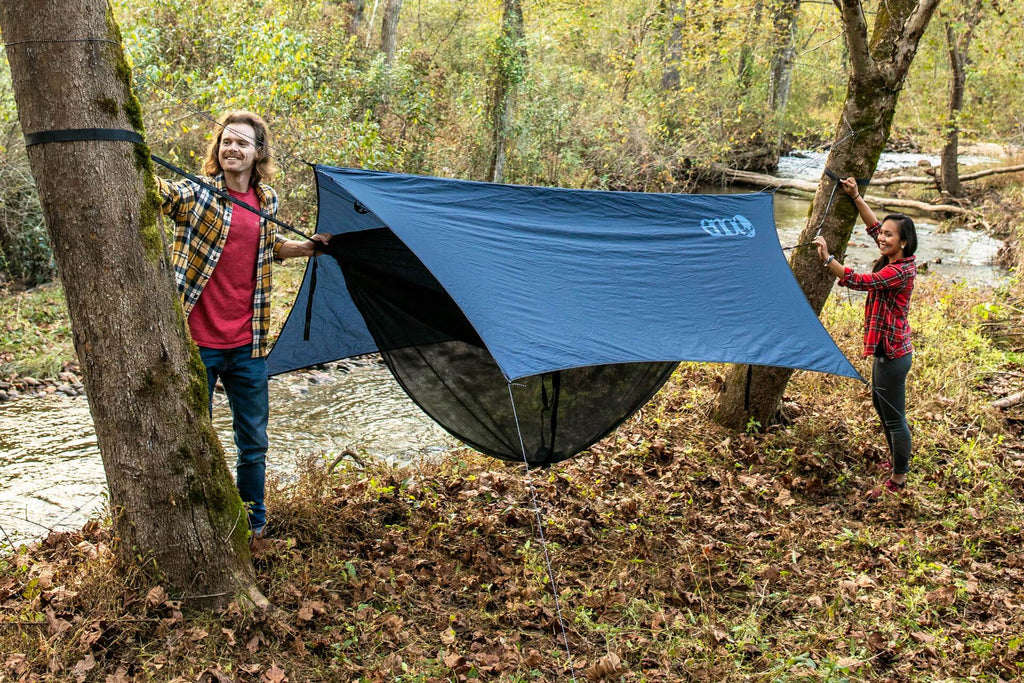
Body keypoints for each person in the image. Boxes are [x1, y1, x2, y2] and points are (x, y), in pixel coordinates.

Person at [156, 110, 329, 535]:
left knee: (253, 443)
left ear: (258, 153)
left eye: (242, 143)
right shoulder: (196, 193)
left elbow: (270, 248)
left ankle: (254, 522)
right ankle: (196, 523)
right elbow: (159, 193)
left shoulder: (267, 201)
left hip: (249, 344)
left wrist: (306, 248)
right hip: (197, 343)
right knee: (191, 438)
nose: (232, 148)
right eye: (226, 141)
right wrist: (130, 154)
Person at [813, 177, 918, 494]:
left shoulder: (898, 271)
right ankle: (895, 460)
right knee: (880, 404)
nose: (882, 237)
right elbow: (874, 228)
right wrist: (857, 198)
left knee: (895, 417)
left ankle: (899, 476)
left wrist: (828, 259)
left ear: (903, 242)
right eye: (882, 233)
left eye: (889, 235)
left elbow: (859, 281)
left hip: (894, 353)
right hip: (887, 351)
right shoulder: (894, 257)